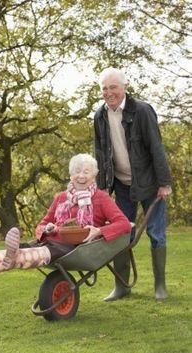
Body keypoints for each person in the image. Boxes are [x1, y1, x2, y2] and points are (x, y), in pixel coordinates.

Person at [0, 153, 132, 276]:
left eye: (86, 172)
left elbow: (124, 224)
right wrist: (47, 229)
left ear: (94, 175)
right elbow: (42, 225)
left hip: (77, 248)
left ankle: (11, 256)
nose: (81, 176)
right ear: (71, 175)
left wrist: (98, 231)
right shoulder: (61, 198)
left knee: (41, 251)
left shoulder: (101, 198)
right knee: (26, 248)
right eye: (77, 171)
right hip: (52, 239)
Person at [94, 67, 172, 301]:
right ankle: (122, 286)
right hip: (121, 185)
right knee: (121, 234)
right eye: (105, 89)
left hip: (149, 183)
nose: (109, 93)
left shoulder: (142, 111)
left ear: (124, 87)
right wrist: (101, 186)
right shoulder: (99, 116)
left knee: (156, 233)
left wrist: (164, 183)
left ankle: (160, 287)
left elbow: (155, 148)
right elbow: (99, 153)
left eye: (113, 87)